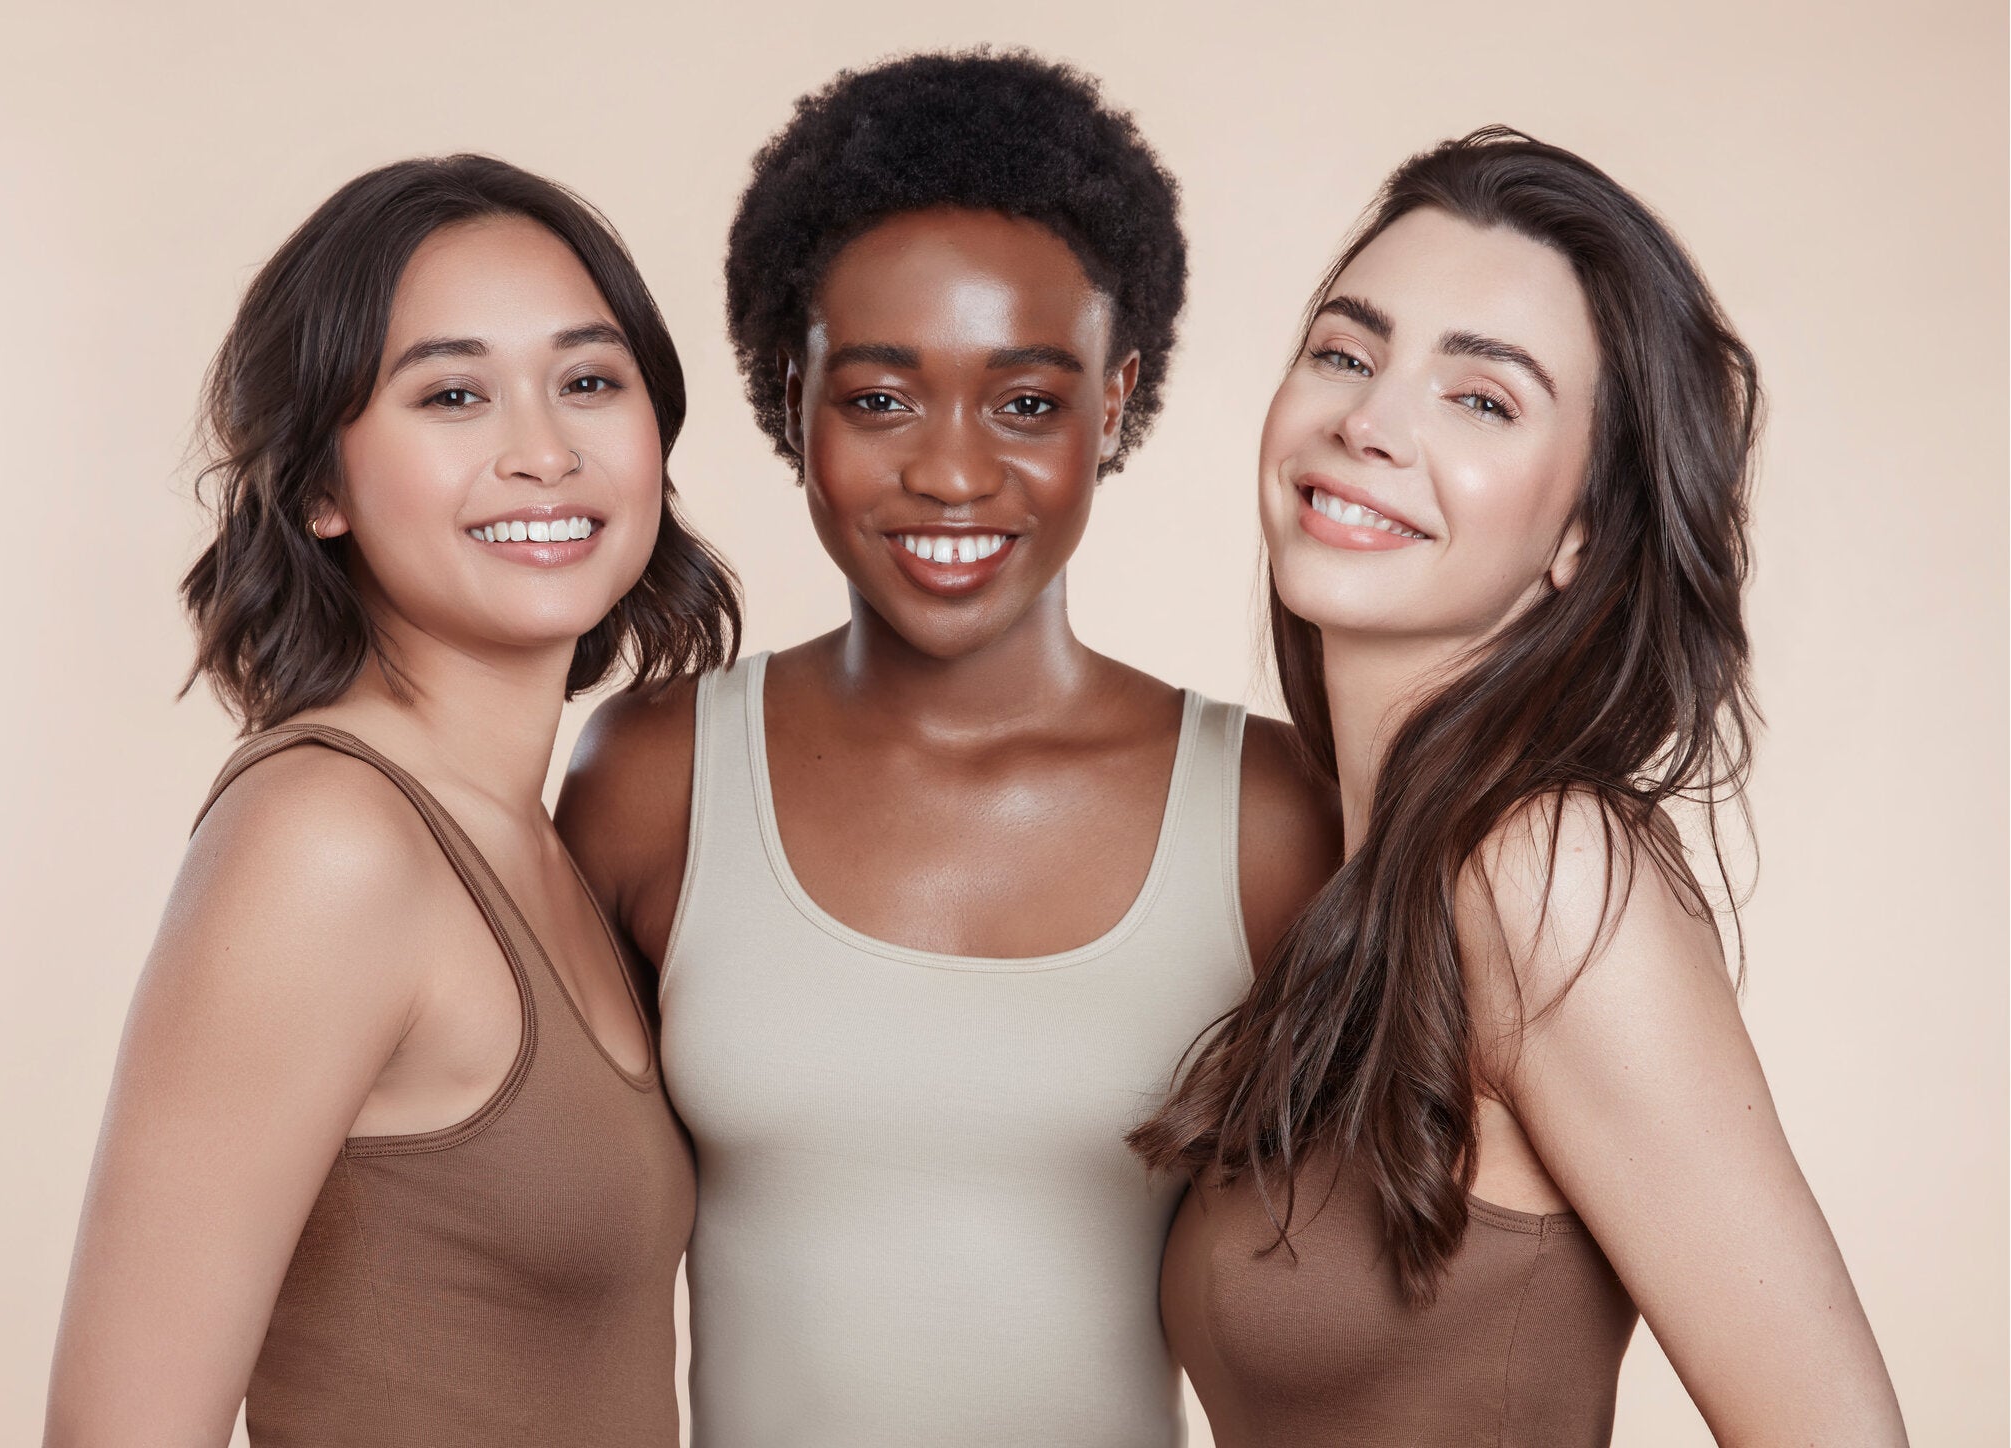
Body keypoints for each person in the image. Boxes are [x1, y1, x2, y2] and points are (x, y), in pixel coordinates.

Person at [557, 51, 1338, 1448]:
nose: (954, 473)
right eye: (880, 397)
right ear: (786, 395)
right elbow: (548, 1242)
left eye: (1028, 401)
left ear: (1120, 398)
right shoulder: (652, 781)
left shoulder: (1273, 817)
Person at [1132, 128, 1907, 1446]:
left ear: (1582, 536)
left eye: (1481, 399)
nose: (1369, 422)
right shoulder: (1350, 878)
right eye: (1345, 351)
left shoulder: (1543, 869)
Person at [44, 155, 738, 1448]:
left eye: (589, 380)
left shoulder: (550, 840)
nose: (543, 452)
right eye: (453, 394)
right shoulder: (328, 843)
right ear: (320, 488)